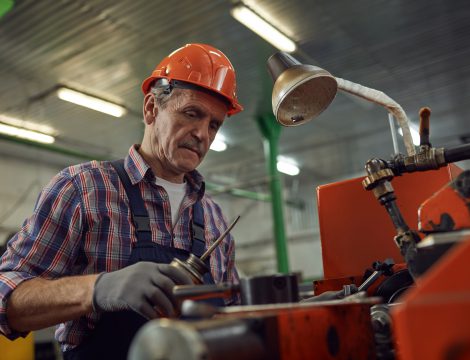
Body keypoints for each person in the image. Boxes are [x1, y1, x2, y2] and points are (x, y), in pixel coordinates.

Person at [0, 43, 243, 360]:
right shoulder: (83, 189)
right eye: (192, 113)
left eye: (214, 124)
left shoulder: (213, 217)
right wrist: (98, 289)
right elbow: (6, 298)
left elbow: (237, 315)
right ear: (151, 109)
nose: (202, 134)